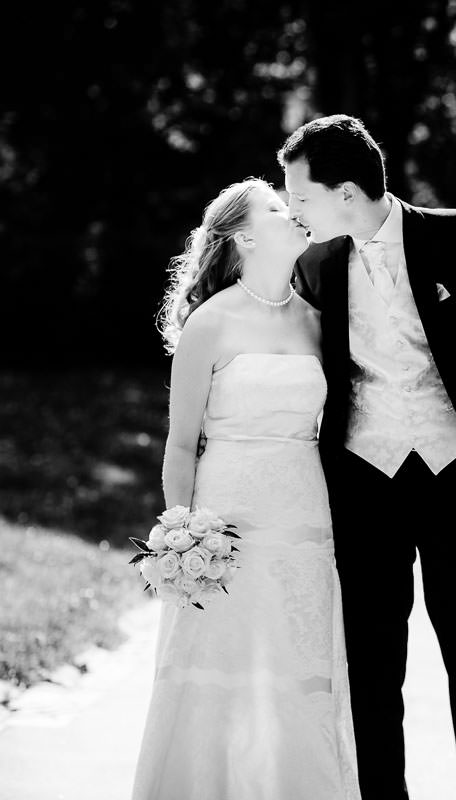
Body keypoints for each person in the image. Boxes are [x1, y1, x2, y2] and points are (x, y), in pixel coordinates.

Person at [277, 114, 456, 800]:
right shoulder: (314, 266)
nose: (292, 212)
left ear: (346, 192)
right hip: (362, 483)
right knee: (371, 671)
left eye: (300, 197)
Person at [132, 179, 360, 798]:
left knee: (298, 661)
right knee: (218, 666)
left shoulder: (319, 324)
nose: (295, 214)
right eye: (279, 209)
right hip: (225, 513)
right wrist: (181, 536)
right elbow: (180, 446)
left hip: (304, 509)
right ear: (245, 237)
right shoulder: (211, 322)